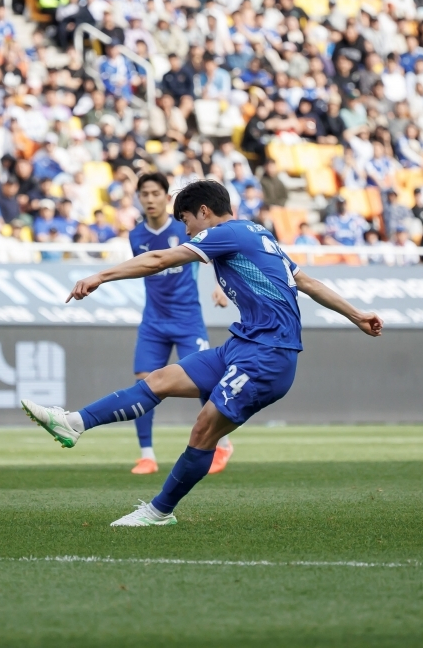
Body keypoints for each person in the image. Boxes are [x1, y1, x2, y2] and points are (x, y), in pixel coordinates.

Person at [21, 180, 383, 526]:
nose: (187, 231)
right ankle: (72, 424)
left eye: (187, 221)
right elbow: (305, 281)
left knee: (203, 430)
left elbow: (159, 259)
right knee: (159, 379)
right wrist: (356, 314)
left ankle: (159, 511)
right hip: (242, 345)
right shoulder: (257, 233)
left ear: (204, 212)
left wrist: (102, 275)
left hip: (268, 355)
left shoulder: (224, 233)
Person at [125, 172, 231, 475]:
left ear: (165, 197)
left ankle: (221, 446)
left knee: (204, 382)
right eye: (144, 194)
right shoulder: (136, 236)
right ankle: (147, 455)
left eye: (155, 193)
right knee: (144, 383)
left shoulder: (185, 228)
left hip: (187, 319)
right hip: (154, 322)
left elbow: (217, 253)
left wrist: (220, 285)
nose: (150, 199)